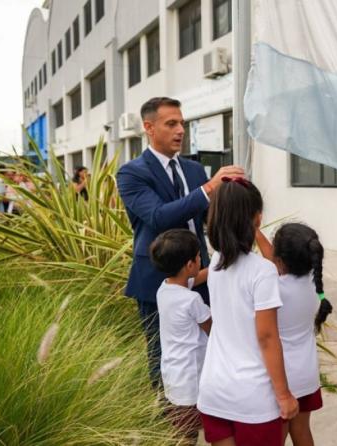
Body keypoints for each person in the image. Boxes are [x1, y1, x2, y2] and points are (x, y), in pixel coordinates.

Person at [117, 96, 244, 389]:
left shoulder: (193, 170)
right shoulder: (132, 172)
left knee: (209, 344)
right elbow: (159, 217)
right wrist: (210, 187)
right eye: (171, 123)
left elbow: (207, 221)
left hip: (201, 274)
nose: (180, 130)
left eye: (182, 124)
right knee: (164, 354)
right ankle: (170, 421)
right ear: (149, 127)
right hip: (156, 278)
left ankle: (208, 410)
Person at [198, 177, 298, 446]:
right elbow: (267, 338)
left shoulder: (217, 262)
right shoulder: (262, 271)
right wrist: (284, 395)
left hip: (214, 388)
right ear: (257, 218)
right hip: (252, 397)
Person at [256, 223, 329, 446]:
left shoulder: (273, 288)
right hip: (306, 373)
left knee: (275, 437)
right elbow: (275, 259)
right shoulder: (314, 284)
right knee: (302, 429)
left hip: (283, 378)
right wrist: (256, 232)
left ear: (279, 260)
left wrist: (253, 230)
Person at [149, 229, 212, 443]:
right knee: (189, 436)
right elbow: (211, 329)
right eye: (197, 257)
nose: (200, 259)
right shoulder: (192, 300)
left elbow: (199, 277)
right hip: (191, 380)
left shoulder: (164, 289)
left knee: (182, 432)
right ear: (189, 265)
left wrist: (217, 268)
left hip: (174, 377)